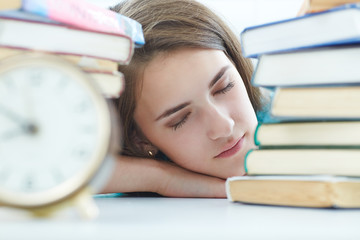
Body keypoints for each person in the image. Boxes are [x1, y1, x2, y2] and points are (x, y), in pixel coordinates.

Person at [101, 0, 265, 198]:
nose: (224, 126)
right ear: (140, 140)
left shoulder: (298, 107)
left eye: (224, 87)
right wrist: (160, 178)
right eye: (181, 119)